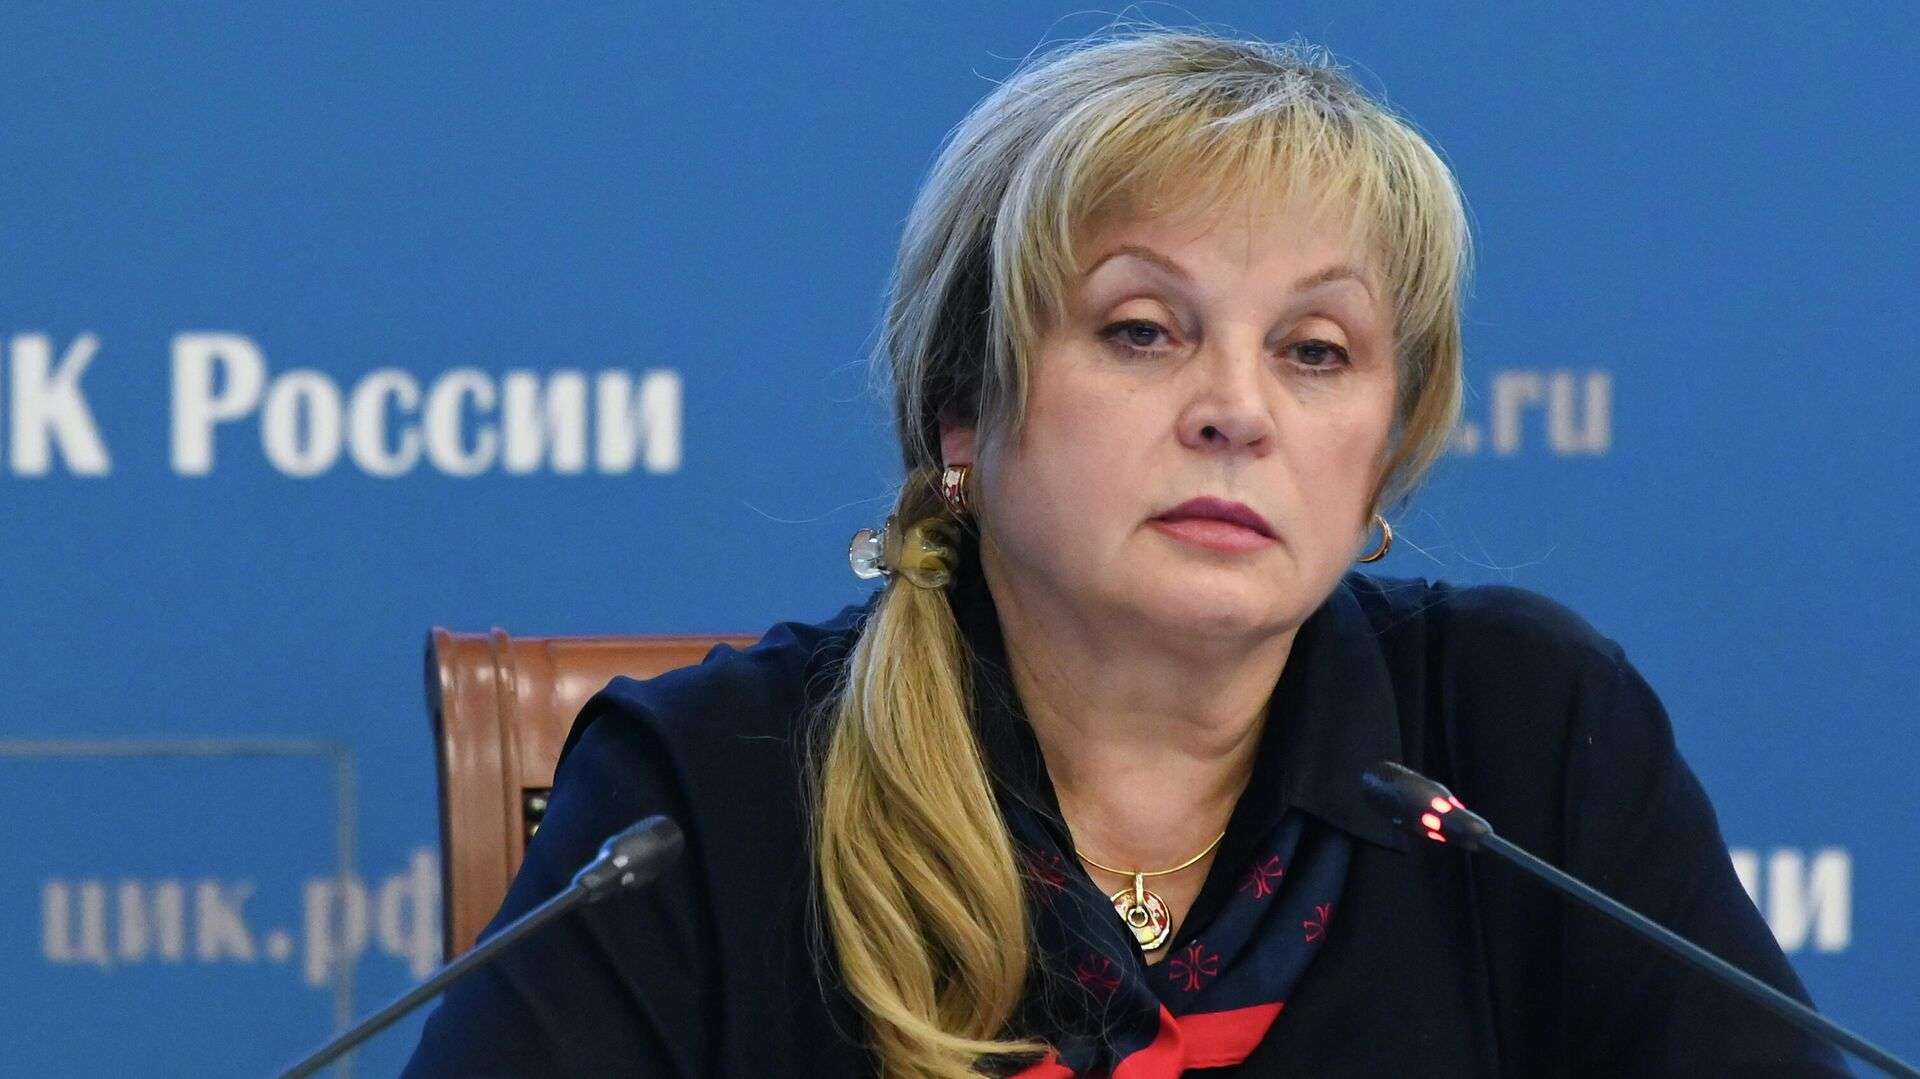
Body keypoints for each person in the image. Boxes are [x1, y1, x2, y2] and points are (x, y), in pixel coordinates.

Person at [403, 30, 1847, 1078]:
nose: (1235, 410)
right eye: (1143, 330)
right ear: (965, 411)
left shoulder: (1524, 746)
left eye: (1316, 350)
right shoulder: (707, 797)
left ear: (1382, 463)